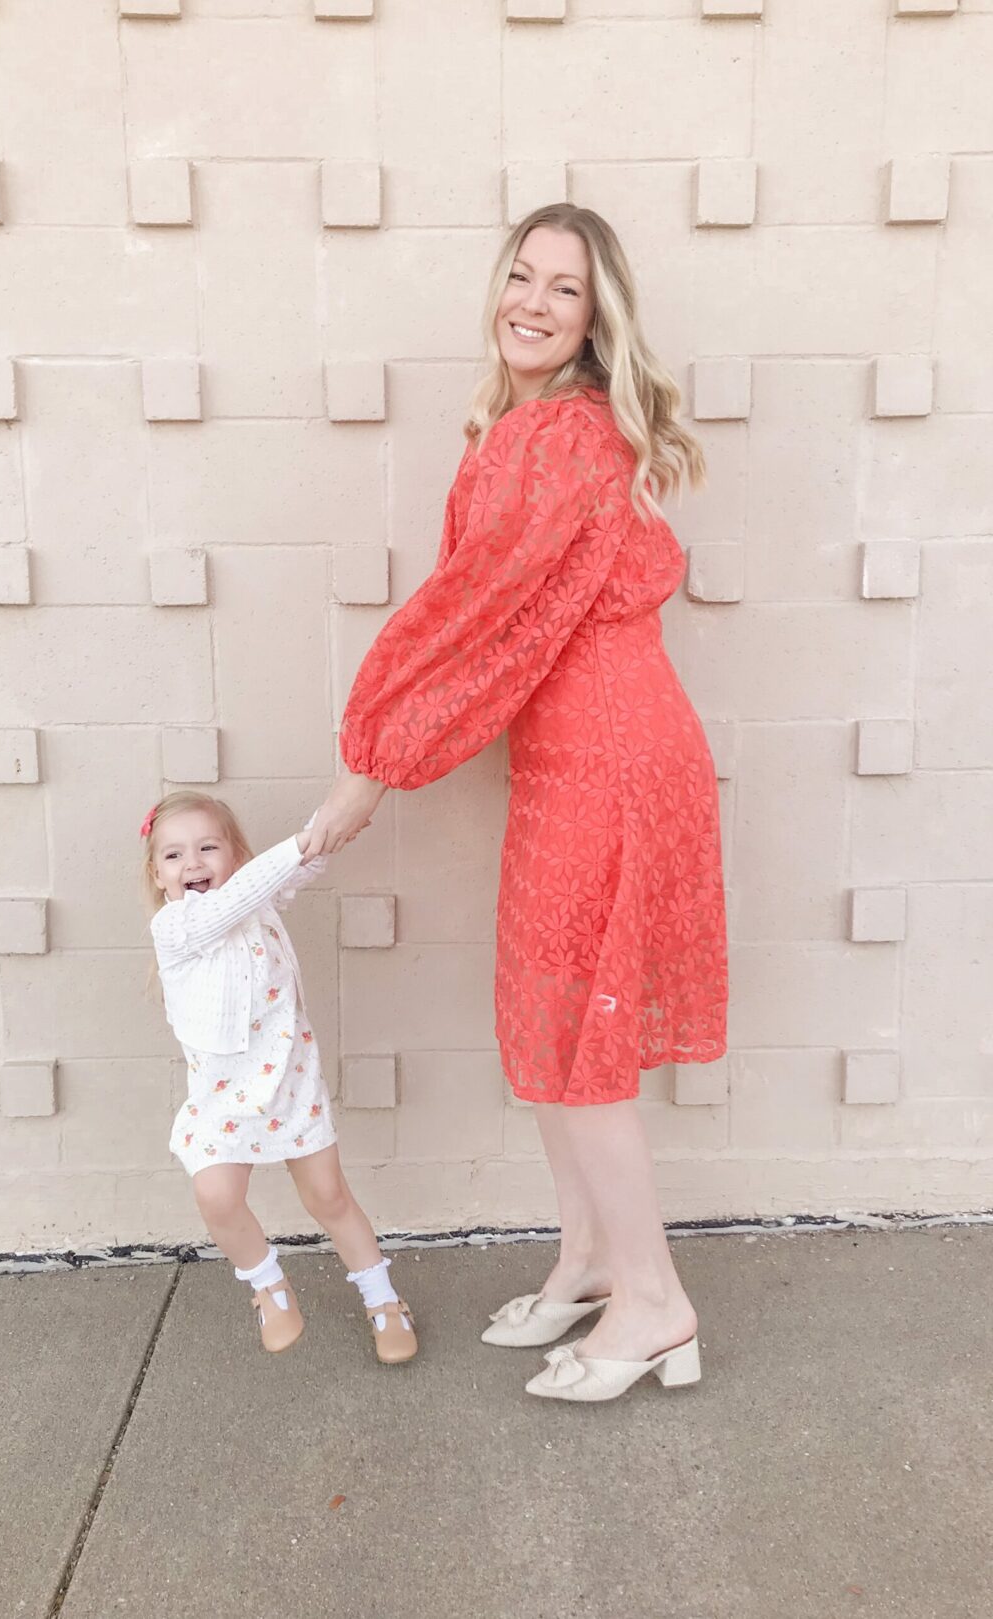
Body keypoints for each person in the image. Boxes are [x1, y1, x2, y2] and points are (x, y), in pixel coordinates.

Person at [302, 204, 727, 1404]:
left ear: (600, 322)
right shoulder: (530, 427)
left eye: (567, 290)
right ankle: (592, 1259)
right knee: (551, 1024)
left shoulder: (562, 440)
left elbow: (467, 616)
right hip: (581, 757)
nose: (533, 303)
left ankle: (655, 1303)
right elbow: (481, 612)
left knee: (581, 1041)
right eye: (521, 276)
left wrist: (367, 766)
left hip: (612, 762)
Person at [141, 790, 416, 1364]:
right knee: (215, 1194)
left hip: (291, 1083)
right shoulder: (177, 927)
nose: (191, 864)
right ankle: (268, 1285)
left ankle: (383, 1300)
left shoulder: (255, 903)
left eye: (207, 847)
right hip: (223, 1097)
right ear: (157, 875)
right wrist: (293, 847)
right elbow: (249, 889)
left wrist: (331, 826)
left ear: (235, 855)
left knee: (329, 1196)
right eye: (173, 855)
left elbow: (295, 871)